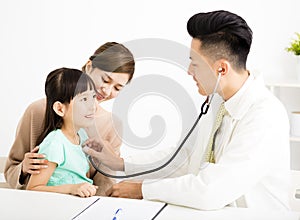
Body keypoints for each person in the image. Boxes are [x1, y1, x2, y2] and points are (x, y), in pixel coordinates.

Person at [83, 10, 291, 210]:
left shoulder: (265, 116)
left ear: (221, 69)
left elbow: (212, 191)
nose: (189, 71)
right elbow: (185, 158)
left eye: (195, 63)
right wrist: (121, 163)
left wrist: (142, 190)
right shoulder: (218, 103)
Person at [4, 42, 135, 195]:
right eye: (105, 80)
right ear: (88, 67)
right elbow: (12, 169)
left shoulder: (112, 125)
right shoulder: (37, 111)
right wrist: (24, 169)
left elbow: (105, 184)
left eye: (117, 88)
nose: (106, 91)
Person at [26, 68, 99, 197]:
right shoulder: (55, 142)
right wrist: (72, 188)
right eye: (84, 100)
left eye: (93, 97)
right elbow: (33, 189)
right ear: (60, 109)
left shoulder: (82, 136)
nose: (93, 106)